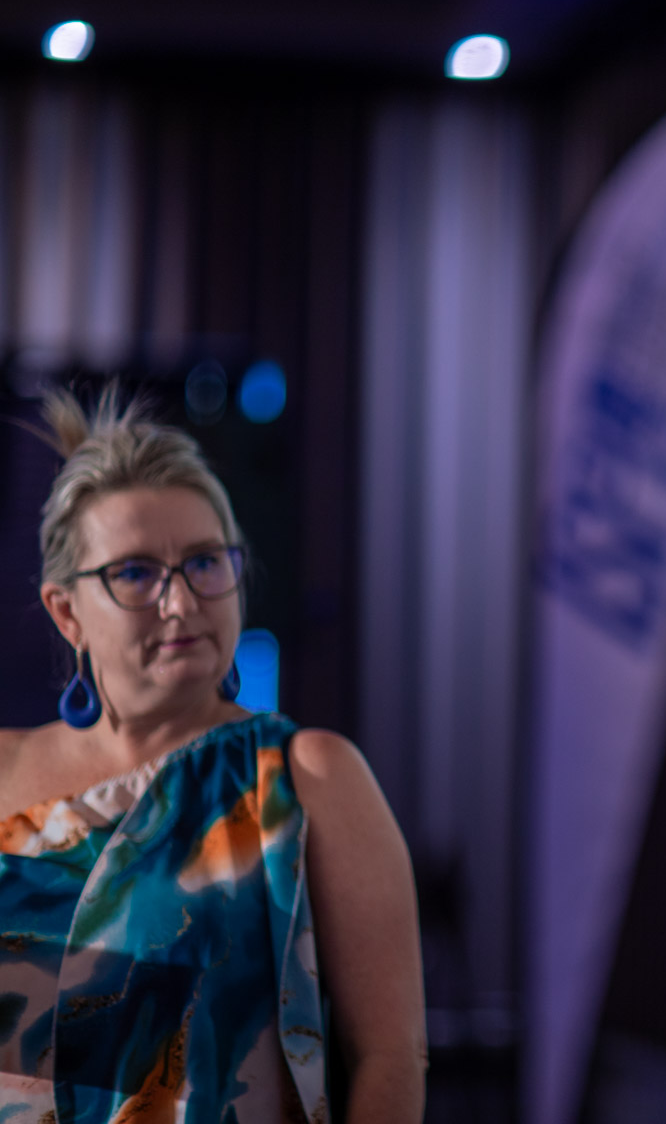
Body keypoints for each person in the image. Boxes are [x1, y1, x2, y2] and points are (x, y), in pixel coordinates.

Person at [0, 387, 427, 1122]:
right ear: (66, 613)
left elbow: (390, 1055)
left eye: (204, 562)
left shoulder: (307, 776)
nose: (181, 602)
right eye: (135, 573)